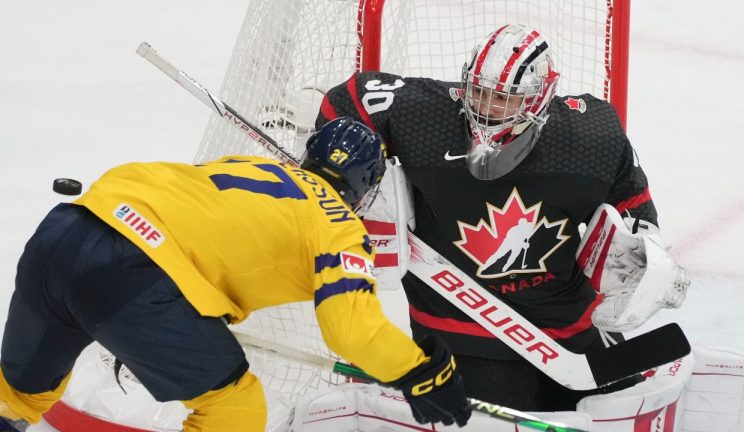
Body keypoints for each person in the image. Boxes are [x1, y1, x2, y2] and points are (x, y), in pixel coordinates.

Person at [0, 118, 472, 431]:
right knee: (235, 408)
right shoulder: (340, 224)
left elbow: (207, 232)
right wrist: (420, 371)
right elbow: (351, 331)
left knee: (18, 398)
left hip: (64, 232)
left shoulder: (249, 166)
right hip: (133, 279)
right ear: (366, 186)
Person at [315, 24, 688, 411]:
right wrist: (357, 178)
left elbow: (632, 196)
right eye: (479, 92)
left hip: (569, 331)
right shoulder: (425, 117)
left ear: (540, 98)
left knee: (625, 412)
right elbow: (344, 102)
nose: (487, 108)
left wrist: (647, 252)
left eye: (505, 99)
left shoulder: (590, 137)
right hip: (459, 328)